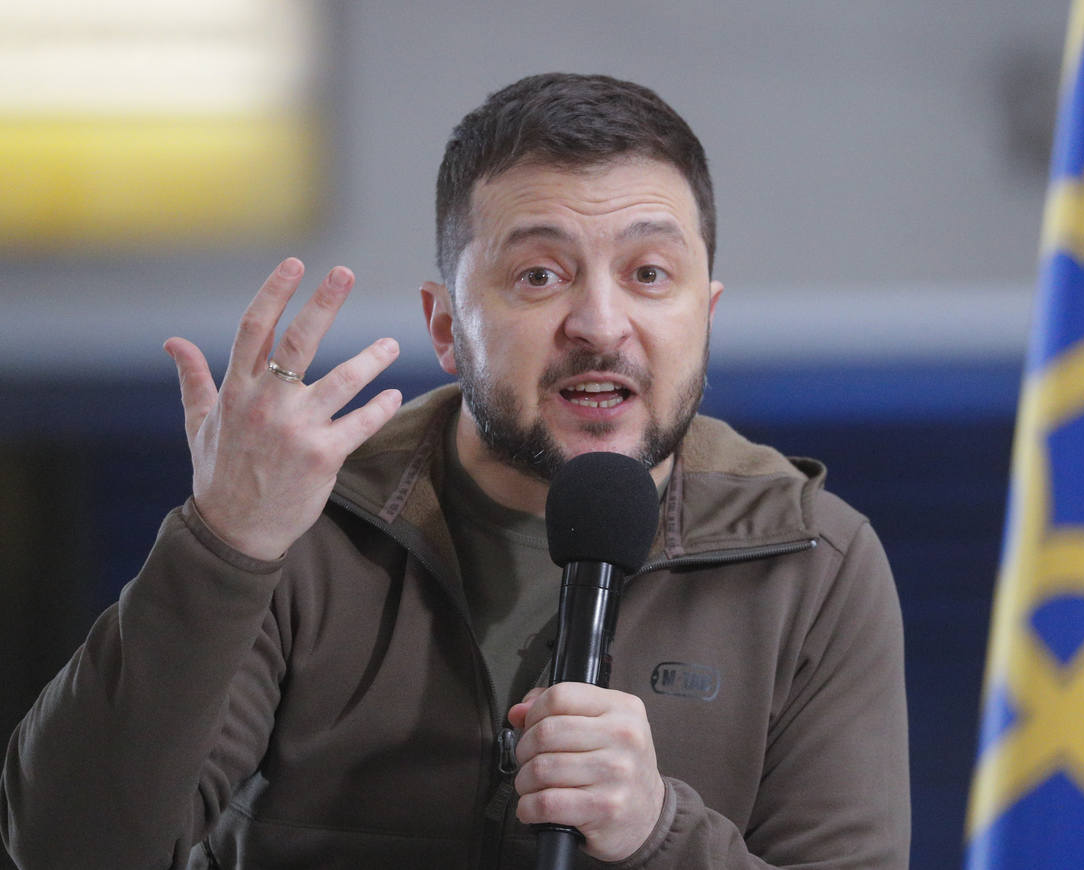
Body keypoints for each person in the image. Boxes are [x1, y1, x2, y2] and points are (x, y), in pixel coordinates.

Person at [1, 73, 909, 869]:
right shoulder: (300, 515)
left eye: (648, 273)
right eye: (541, 276)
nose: (600, 324)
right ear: (445, 327)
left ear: (704, 315)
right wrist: (224, 541)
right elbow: (66, 849)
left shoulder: (813, 562)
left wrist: (655, 830)